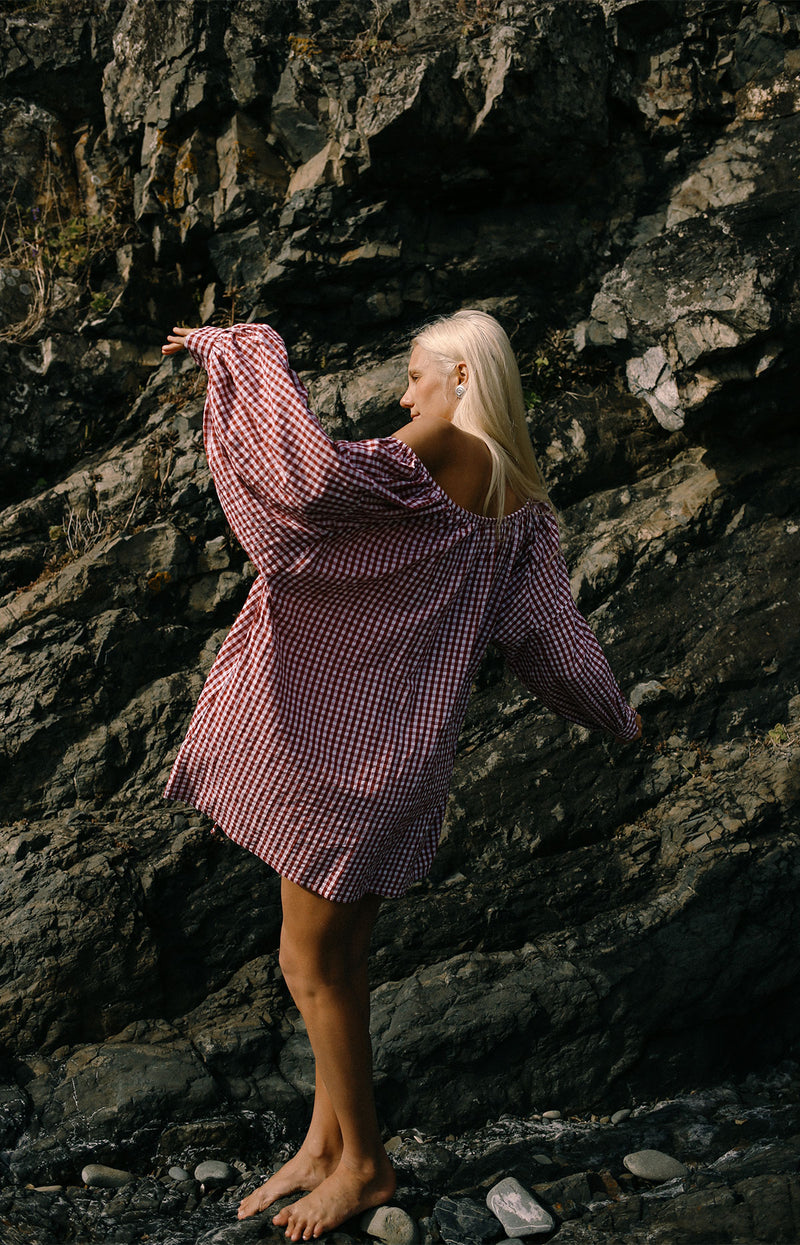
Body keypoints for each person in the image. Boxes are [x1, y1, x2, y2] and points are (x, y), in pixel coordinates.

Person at [161, 311, 641, 1242]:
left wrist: (244, 345)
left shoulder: (436, 446)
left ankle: (366, 1166)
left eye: (416, 373)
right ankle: (324, 1143)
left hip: (338, 755)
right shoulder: (522, 510)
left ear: (463, 376)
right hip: (404, 761)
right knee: (337, 961)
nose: (403, 392)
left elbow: (305, 480)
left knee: (307, 961)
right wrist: (615, 716)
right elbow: (553, 644)